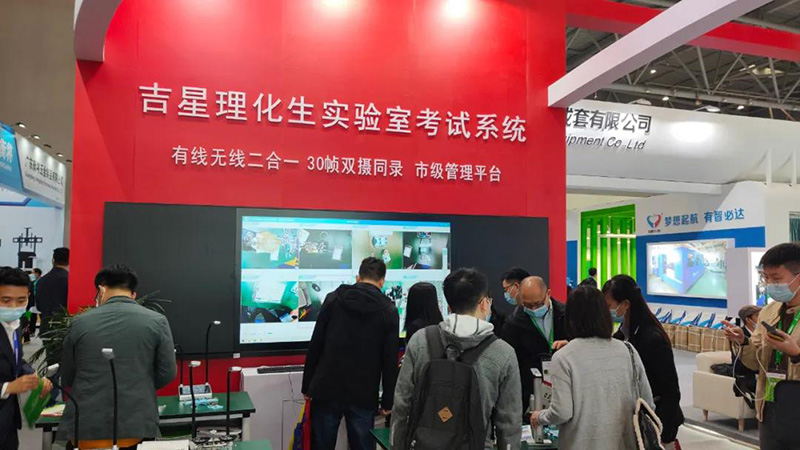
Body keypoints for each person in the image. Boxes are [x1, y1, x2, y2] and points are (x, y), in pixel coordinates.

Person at [392, 268, 522, 450]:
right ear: (484, 303)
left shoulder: (420, 341)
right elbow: (509, 423)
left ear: (449, 306)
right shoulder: (503, 353)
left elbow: (401, 405)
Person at [60, 264, 176, 449]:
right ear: (133, 294)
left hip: (86, 425)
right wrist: (139, 386)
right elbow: (167, 372)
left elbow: (68, 374)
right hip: (135, 424)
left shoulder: (79, 322)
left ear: (101, 290)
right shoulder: (156, 321)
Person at [530, 286, 654, 450]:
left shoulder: (563, 357)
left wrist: (539, 417)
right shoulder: (628, 350)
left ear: (571, 317)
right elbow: (648, 403)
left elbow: (562, 412)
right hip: (626, 444)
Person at [302, 257, 400, 450]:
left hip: (326, 386)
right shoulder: (388, 310)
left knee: (321, 445)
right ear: (382, 282)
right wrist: (388, 400)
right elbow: (390, 360)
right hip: (363, 392)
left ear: (358, 277)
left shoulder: (333, 299)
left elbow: (316, 344)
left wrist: (308, 385)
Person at [723, 243, 800, 450]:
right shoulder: (768, 312)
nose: (770, 284)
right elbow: (755, 363)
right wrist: (743, 342)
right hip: (769, 407)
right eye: (766, 278)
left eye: (776, 278)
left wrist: (796, 354)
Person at [603, 275, 684, 449]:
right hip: (636, 421)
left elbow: (671, 391)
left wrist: (661, 432)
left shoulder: (651, 338)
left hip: (657, 422)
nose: (607, 311)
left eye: (609, 306)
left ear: (625, 304)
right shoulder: (622, 335)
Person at [0, 267, 52, 450]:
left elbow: (15, 359)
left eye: (21, 300)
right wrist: (7, 388)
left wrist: (32, 375)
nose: (14, 307)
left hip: (7, 421)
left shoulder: (16, 324)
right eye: (6, 300)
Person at [501, 276, 568, 416]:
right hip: (531, 393)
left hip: (564, 387)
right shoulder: (513, 324)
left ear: (548, 293)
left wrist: (570, 346)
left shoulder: (567, 315)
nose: (534, 309)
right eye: (527, 305)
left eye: (538, 304)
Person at [36, 248, 70, 338]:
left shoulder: (42, 280)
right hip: (65, 327)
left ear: (53, 260)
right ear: (69, 261)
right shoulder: (71, 281)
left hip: (46, 327)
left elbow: (38, 306)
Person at [732, 305, 761, 406]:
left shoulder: (762, 333)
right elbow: (739, 363)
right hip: (748, 374)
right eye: (758, 316)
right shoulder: (739, 336)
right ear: (748, 320)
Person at [493, 267, 530, 337]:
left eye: (506, 289)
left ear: (516, 286)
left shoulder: (516, 321)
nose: (506, 293)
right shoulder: (516, 316)